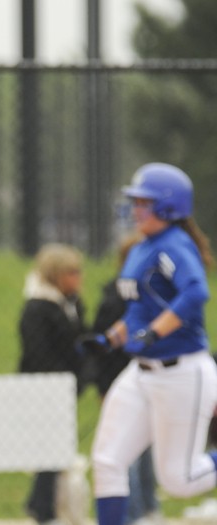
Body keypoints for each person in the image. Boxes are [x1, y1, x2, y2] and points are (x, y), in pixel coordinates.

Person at [89, 163, 217, 525]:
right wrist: (109, 339)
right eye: (135, 201)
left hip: (182, 372)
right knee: (107, 461)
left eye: (144, 201)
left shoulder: (174, 246)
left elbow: (196, 293)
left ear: (169, 207)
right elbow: (137, 314)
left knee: (179, 481)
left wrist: (156, 332)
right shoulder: (140, 249)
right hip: (141, 373)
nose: (136, 209)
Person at [89, 233, 165, 525]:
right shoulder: (115, 299)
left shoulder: (156, 294)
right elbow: (105, 352)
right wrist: (105, 388)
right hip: (124, 381)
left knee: (150, 450)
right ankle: (132, 513)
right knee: (123, 455)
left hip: (154, 380)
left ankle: (148, 506)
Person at [18, 242, 87, 525]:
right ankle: (42, 508)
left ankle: (42, 504)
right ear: (55, 274)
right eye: (72, 272)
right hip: (43, 386)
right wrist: (61, 380)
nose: (78, 278)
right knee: (48, 447)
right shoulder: (37, 307)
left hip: (66, 385)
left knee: (56, 448)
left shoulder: (71, 304)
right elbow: (37, 351)